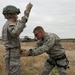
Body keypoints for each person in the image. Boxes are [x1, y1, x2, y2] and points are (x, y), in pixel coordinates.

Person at [2, 3, 33, 75]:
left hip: (11, 54)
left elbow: (11, 40)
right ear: (12, 14)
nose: (17, 16)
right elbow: (15, 32)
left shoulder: (7, 24)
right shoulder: (10, 24)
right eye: (16, 14)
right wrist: (25, 16)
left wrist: (17, 49)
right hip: (12, 55)